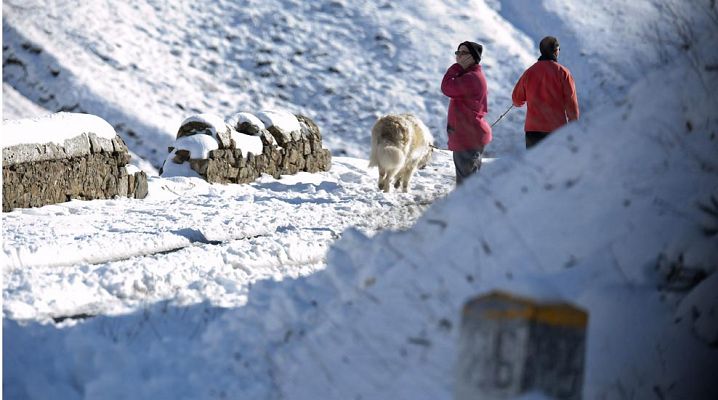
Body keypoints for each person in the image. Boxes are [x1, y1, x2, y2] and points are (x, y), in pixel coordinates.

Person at [512, 36, 579, 149]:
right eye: (559, 49)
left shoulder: (529, 72)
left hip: (533, 131)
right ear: (555, 50)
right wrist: (575, 127)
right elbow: (571, 104)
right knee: (555, 165)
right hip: (557, 130)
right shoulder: (563, 73)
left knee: (533, 165)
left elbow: (516, 100)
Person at [441, 41, 492, 185]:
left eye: (463, 53)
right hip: (468, 135)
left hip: (468, 137)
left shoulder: (471, 78)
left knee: (466, 186)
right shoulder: (470, 75)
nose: (458, 57)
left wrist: (455, 68)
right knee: (469, 182)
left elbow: (446, 87)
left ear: (473, 57)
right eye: (457, 53)